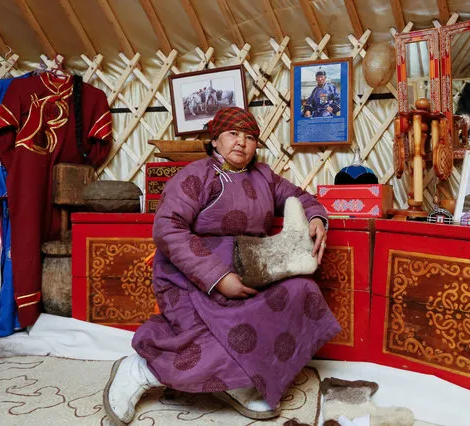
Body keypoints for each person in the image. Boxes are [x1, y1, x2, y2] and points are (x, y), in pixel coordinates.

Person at [103, 106, 341, 425]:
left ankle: (240, 382)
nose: (241, 142)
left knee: (302, 291)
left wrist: (315, 217)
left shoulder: (264, 177)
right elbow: (167, 228)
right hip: (190, 279)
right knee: (202, 345)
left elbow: (299, 196)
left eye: (250, 136)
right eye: (233, 134)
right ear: (215, 140)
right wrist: (218, 276)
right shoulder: (195, 175)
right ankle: (142, 370)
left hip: (251, 270)